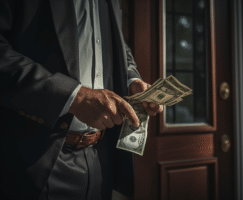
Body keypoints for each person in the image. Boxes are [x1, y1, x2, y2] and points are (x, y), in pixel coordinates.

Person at [0, 0, 163, 199]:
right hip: (35, 159)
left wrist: (131, 79)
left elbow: (117, 44)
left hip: (100, 159)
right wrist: (74, 97)